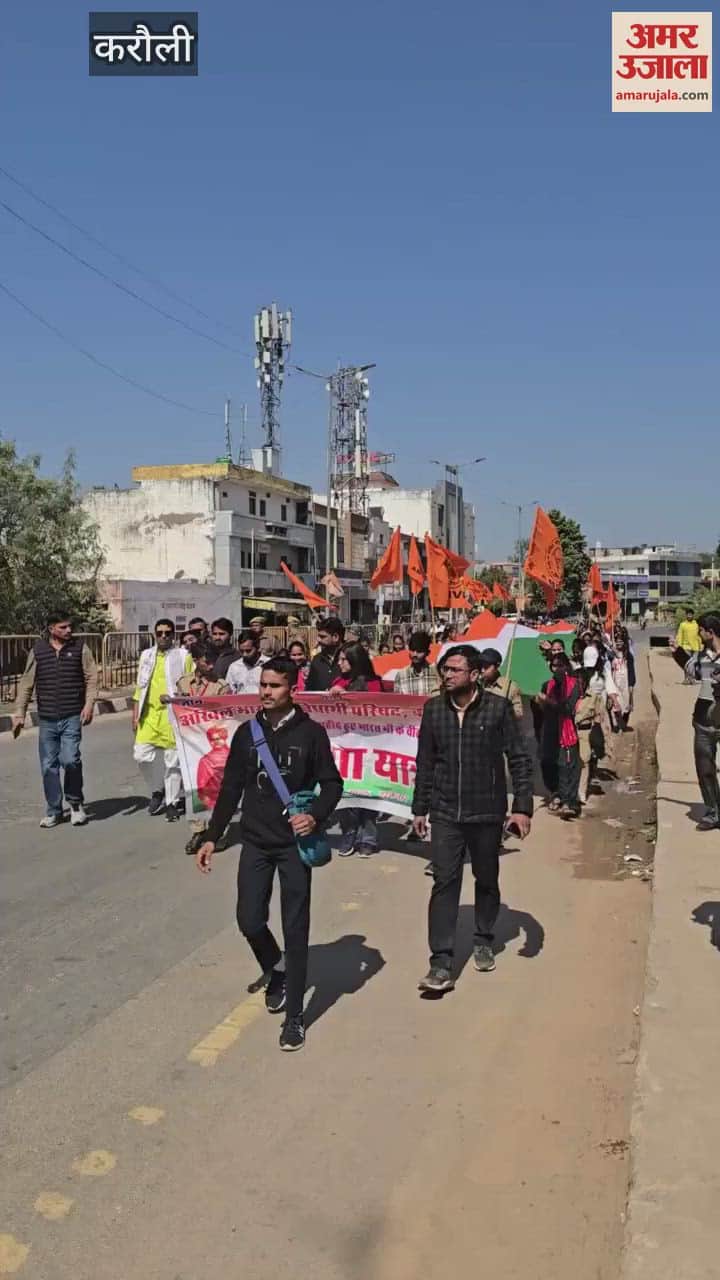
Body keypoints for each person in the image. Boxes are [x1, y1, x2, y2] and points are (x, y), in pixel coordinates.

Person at [195, 658, 344, 1052]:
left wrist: (314, 817)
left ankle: (295, 1017)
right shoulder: (248, 733)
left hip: (294, 847)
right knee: (249, 919)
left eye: (275, 686)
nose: (265, 692)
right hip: (256, 841)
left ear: (292, 688)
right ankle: (274, 970)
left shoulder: (311, 734)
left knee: (296, 930)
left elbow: (332, 784)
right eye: (263, 684)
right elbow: (230, 788)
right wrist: (213, 836)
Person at [411, 644, 533, 992]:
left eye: (455, 670)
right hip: (446, 811)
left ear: (475, 674)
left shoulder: (497, 710)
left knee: (486, 877)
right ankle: (441, 963)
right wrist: (419, 808)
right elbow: (426, 763)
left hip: (487, 811)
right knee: (444, 882)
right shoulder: (434, 711)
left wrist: (522, 807)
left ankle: (482, 936)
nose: (447, 675)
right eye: (444, 670)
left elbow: (520, 759)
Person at [12, 610, 98, 828]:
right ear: (52, 629)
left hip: (72, 715)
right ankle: (54, 810)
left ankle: (76, 805)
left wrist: (89, 705)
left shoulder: (80, 648)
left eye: (70, 626)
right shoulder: (39, 650)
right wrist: (19, 713)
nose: (69, 631)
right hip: (47, 718)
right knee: (48, 765)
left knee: (70, 759)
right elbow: (26, 683)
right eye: (63, 627)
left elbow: (91, 678)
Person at [133, 619, 192, 822]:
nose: (164, 636)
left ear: (174, 635)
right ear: (155, 634)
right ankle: (157, 789)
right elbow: (140, 686)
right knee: (141, 755)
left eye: (168, 633)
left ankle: (172, 802)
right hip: (148, 715)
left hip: (171, 714)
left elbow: (189, 684)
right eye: (160, 633)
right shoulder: (146, 656)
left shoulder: (183, 656)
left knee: (172, 761)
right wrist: (135, 714)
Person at [174, 642, 231, 855]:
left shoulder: (221, 686)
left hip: (214, 741)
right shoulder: (184, 682)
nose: (211, 665)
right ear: (196, 661)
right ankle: (198, 829)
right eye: (207, 661)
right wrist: (169, 701)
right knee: (194, 784)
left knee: (219, 786)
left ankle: (219, 831)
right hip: (191, 742)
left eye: (213, 661)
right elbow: (178, 707)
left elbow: (227, 714)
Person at [331, 644, 383, 858]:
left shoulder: (374, 684)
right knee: (345, 793)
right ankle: (349, 833)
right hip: (344, 747)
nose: (340, 663)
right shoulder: (338, 682)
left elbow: (377, 709)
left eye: (344, 659)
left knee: (368, 793)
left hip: (370, 746)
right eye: (339, 659)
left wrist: (350, 696)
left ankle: (368, 838)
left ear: (356, 660)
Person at [685, 613, 720, 830]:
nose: (698, 633)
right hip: (703, 720)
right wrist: (678, 653)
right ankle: (713, 811)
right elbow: (691, 672)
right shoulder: (700, 656)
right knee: (705, 767)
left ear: (710, 631)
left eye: (701, 629)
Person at [536, 651, 581, 818]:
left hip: (567, 729)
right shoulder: (547, 685)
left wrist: (549, 701)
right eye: (554, 665)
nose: (557, 669)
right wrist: (542, 703)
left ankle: (569, 801)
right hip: (550, 729)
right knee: (548, 763)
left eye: (560, 665)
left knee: (566, 765)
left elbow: (568, 708)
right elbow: (543, 711)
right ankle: (556, 793)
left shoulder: (574, 684)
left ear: (566, 666)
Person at [478, 647, 523, 722]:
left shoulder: (510, 687)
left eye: (486, 667)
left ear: (497, 666)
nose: (482, 670)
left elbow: (519, 714)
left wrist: (505, 711)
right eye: (481, 665)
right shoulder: (476, 684)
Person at [305, 617, 345, 691]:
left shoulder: (351, 658)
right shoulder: (316, 660)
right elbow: (309, 691)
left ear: (335, 637)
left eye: (322, 637)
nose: (318, 640)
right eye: (318, 636)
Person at [226, 631, 269, 695]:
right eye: (241, 651)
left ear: (258, 646)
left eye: (248, 651)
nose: (244, 654)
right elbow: (230, 691)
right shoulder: (234, 667)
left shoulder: (270, 664)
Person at [676, 607, 701, 683]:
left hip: (696, 647)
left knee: (693, 663)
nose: (689, 616)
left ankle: (692, 679)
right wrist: (679, 646)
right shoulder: (682, 625)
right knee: (687, 664)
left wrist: (701, 645)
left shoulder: (696, 624)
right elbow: (680, 635)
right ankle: (687, 678)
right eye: (688, 615)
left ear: (693, 615)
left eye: (691, 615)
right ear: (686, 615)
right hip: (686, 647)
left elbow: (699, 635)